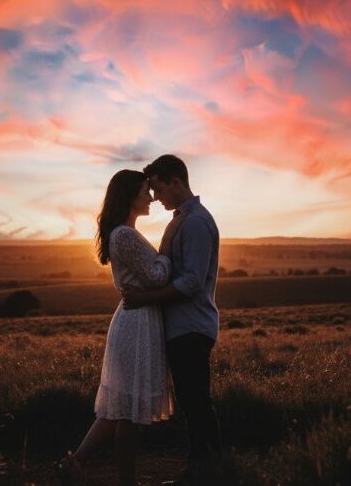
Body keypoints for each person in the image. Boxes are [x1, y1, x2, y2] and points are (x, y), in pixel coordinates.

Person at [56, 169, 174, 486]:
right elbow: (156, 276)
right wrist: (168, 257)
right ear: (129, 196)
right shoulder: (124, 235)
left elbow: (148, 277)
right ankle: (119, 477)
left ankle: (78, 464)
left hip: (139, 319)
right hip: (136, 324)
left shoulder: (126, 233)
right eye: (144, 191)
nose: (150, 197)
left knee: (124, 409)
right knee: (127, 410)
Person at [121, 154, 222, 485]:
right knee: (193, 401)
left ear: (176, 182)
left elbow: (191, 282)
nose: (156, 197)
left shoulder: (194, 223)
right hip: (183, 327)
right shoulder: (181, 219)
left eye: (159, 189)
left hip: (191, 326)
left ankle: (206, 472)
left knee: (196, 401)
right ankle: (206, 469)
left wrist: (144, 299)